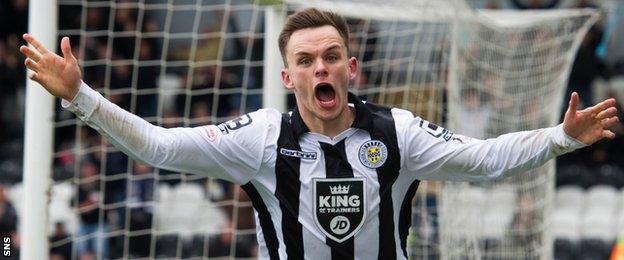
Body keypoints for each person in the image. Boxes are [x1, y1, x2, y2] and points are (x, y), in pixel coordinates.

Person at [19, 7, 619, 260]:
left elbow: (487, 159)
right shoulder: (259, 138)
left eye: (332, 56)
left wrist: (562, 137)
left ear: (351, 68)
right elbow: (160, 146)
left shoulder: (396, 133)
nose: (321, 68)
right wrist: (79, 97)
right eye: (306, 61)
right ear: (288, 76)